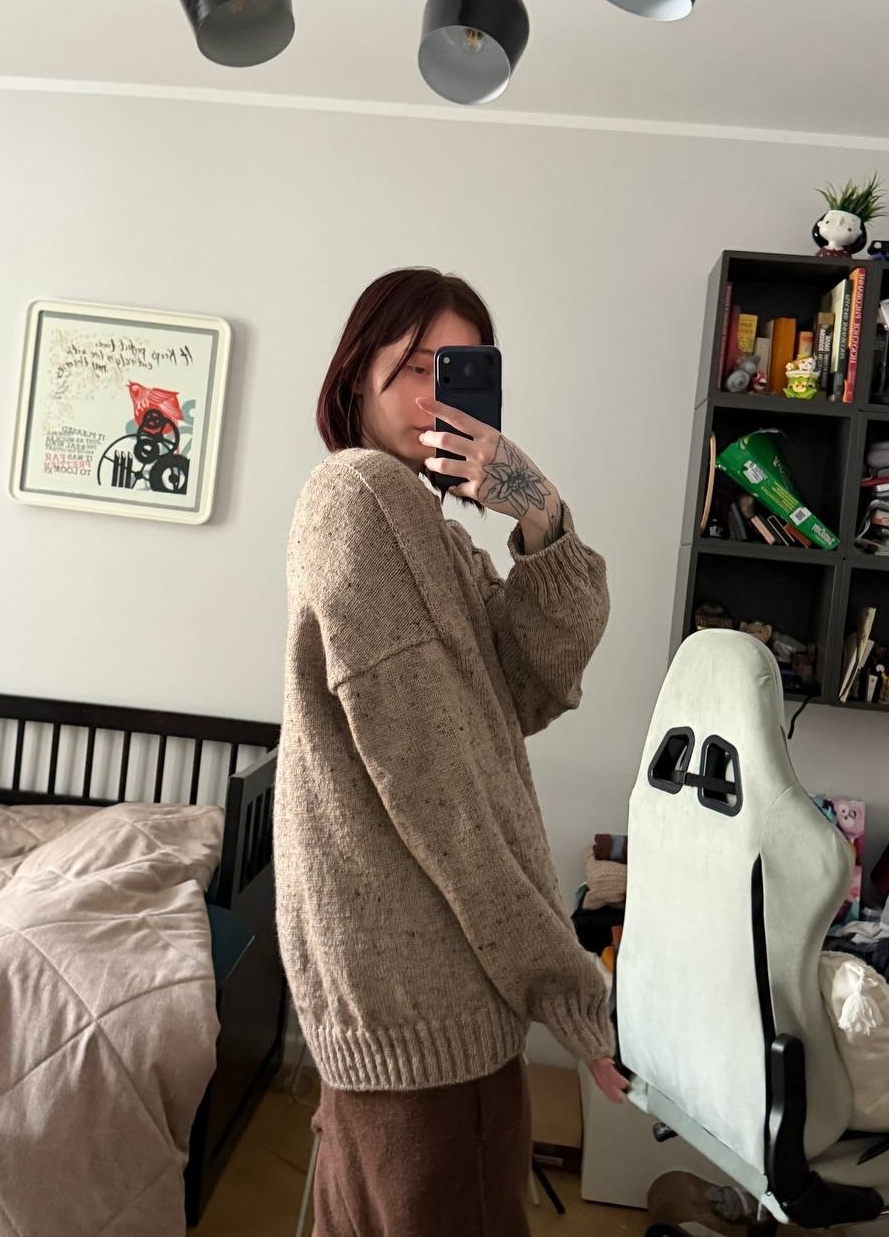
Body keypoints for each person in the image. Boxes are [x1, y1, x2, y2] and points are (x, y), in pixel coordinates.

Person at [274, 267, 628, 1237]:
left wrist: (539, 512)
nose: (440, 395)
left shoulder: (423, 530)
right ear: (359, 373)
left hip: (405, 993)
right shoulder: (363, 496)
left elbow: (524, 686)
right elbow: (444, 789)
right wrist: (567, 983)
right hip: (429, 996)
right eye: (417, 366)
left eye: (463, 371)